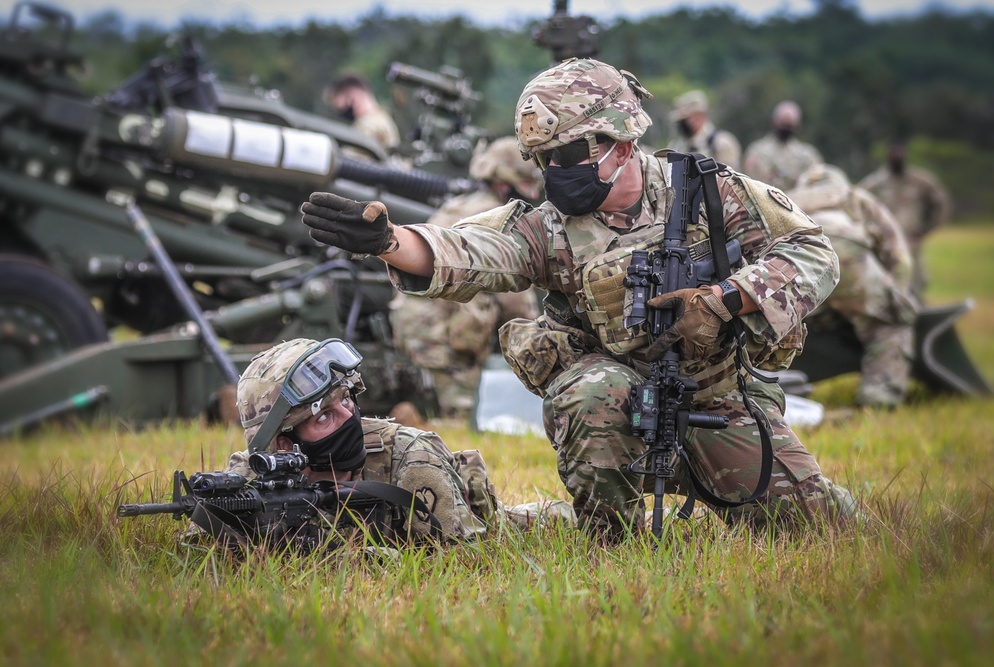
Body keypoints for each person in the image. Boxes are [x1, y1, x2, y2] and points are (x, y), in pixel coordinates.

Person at [301, 58, 857, 540]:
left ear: (623, 141)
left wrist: (726, 299)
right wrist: (389, 242)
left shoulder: (711, 191)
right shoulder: (550, 227)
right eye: (542, 160)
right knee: (590, 389)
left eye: (568, 153)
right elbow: (474, 251)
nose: (555, 172)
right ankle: (610, 540)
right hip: (616, 404)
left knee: (824, 529)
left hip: (718, 399)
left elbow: (815, 252)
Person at [228, 337, 574, 544]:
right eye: (324, 416)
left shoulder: (411, 456)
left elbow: (459, 555)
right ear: (284, 445)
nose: (350, 417)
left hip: (475, 516)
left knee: (558, 519)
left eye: (347, 399)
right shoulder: (257, 479)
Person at [389, 136, 542, 419]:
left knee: (434, 403)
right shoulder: (499, 219)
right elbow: (515, 299)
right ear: (504, 184)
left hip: (414, 321)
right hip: (445, 330)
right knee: (463, 413)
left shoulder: (460, 205)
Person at [789, 164, 919, 408]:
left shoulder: (788, 198)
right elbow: (899, 257)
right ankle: (878, 399)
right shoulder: (856, 196)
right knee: (889, 322)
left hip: (795, 254)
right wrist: (893, 299)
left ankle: (772, 396)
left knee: (779, 331)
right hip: (845, 248)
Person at [859, 142, 951, 299]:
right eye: (893, 154)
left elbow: (940, 202)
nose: (897, 158)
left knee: (915, 286)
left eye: (900, 154)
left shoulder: (919, 181)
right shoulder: (876, 183)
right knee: (887, 287)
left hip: (912, 242)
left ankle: (918, 317)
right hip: (885, 245)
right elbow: (857, 201)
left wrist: (928, 227)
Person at [743, 100, 823, 191]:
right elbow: (750, 182)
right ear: (775, 121)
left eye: (790, 123)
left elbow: (815, 183)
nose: (786, 127)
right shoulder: (757, 151)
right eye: (783, 122)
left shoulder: (807, 155)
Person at [667, 89, 742, 170]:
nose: (681, 124)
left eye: (684, 120)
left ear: (699, 116)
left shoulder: (721, 143)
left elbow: (730, 179)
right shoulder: (676, 147)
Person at [325, 73, 401, 150]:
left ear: (353, 94)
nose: (341, 112)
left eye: (340, 107)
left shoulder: (368, 125)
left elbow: (351, 157)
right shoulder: (382, 118)